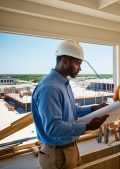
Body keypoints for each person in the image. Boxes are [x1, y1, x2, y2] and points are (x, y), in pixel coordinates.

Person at [32, 40, 109, 169]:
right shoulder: (50, 88)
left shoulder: (63, 83)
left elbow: (72, 110)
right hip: (57, 154)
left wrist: (94, 108)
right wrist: (87, 127)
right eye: (77, 64)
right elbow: (53, 127)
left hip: (69, 148)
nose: (80, 68)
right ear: (65, 61)